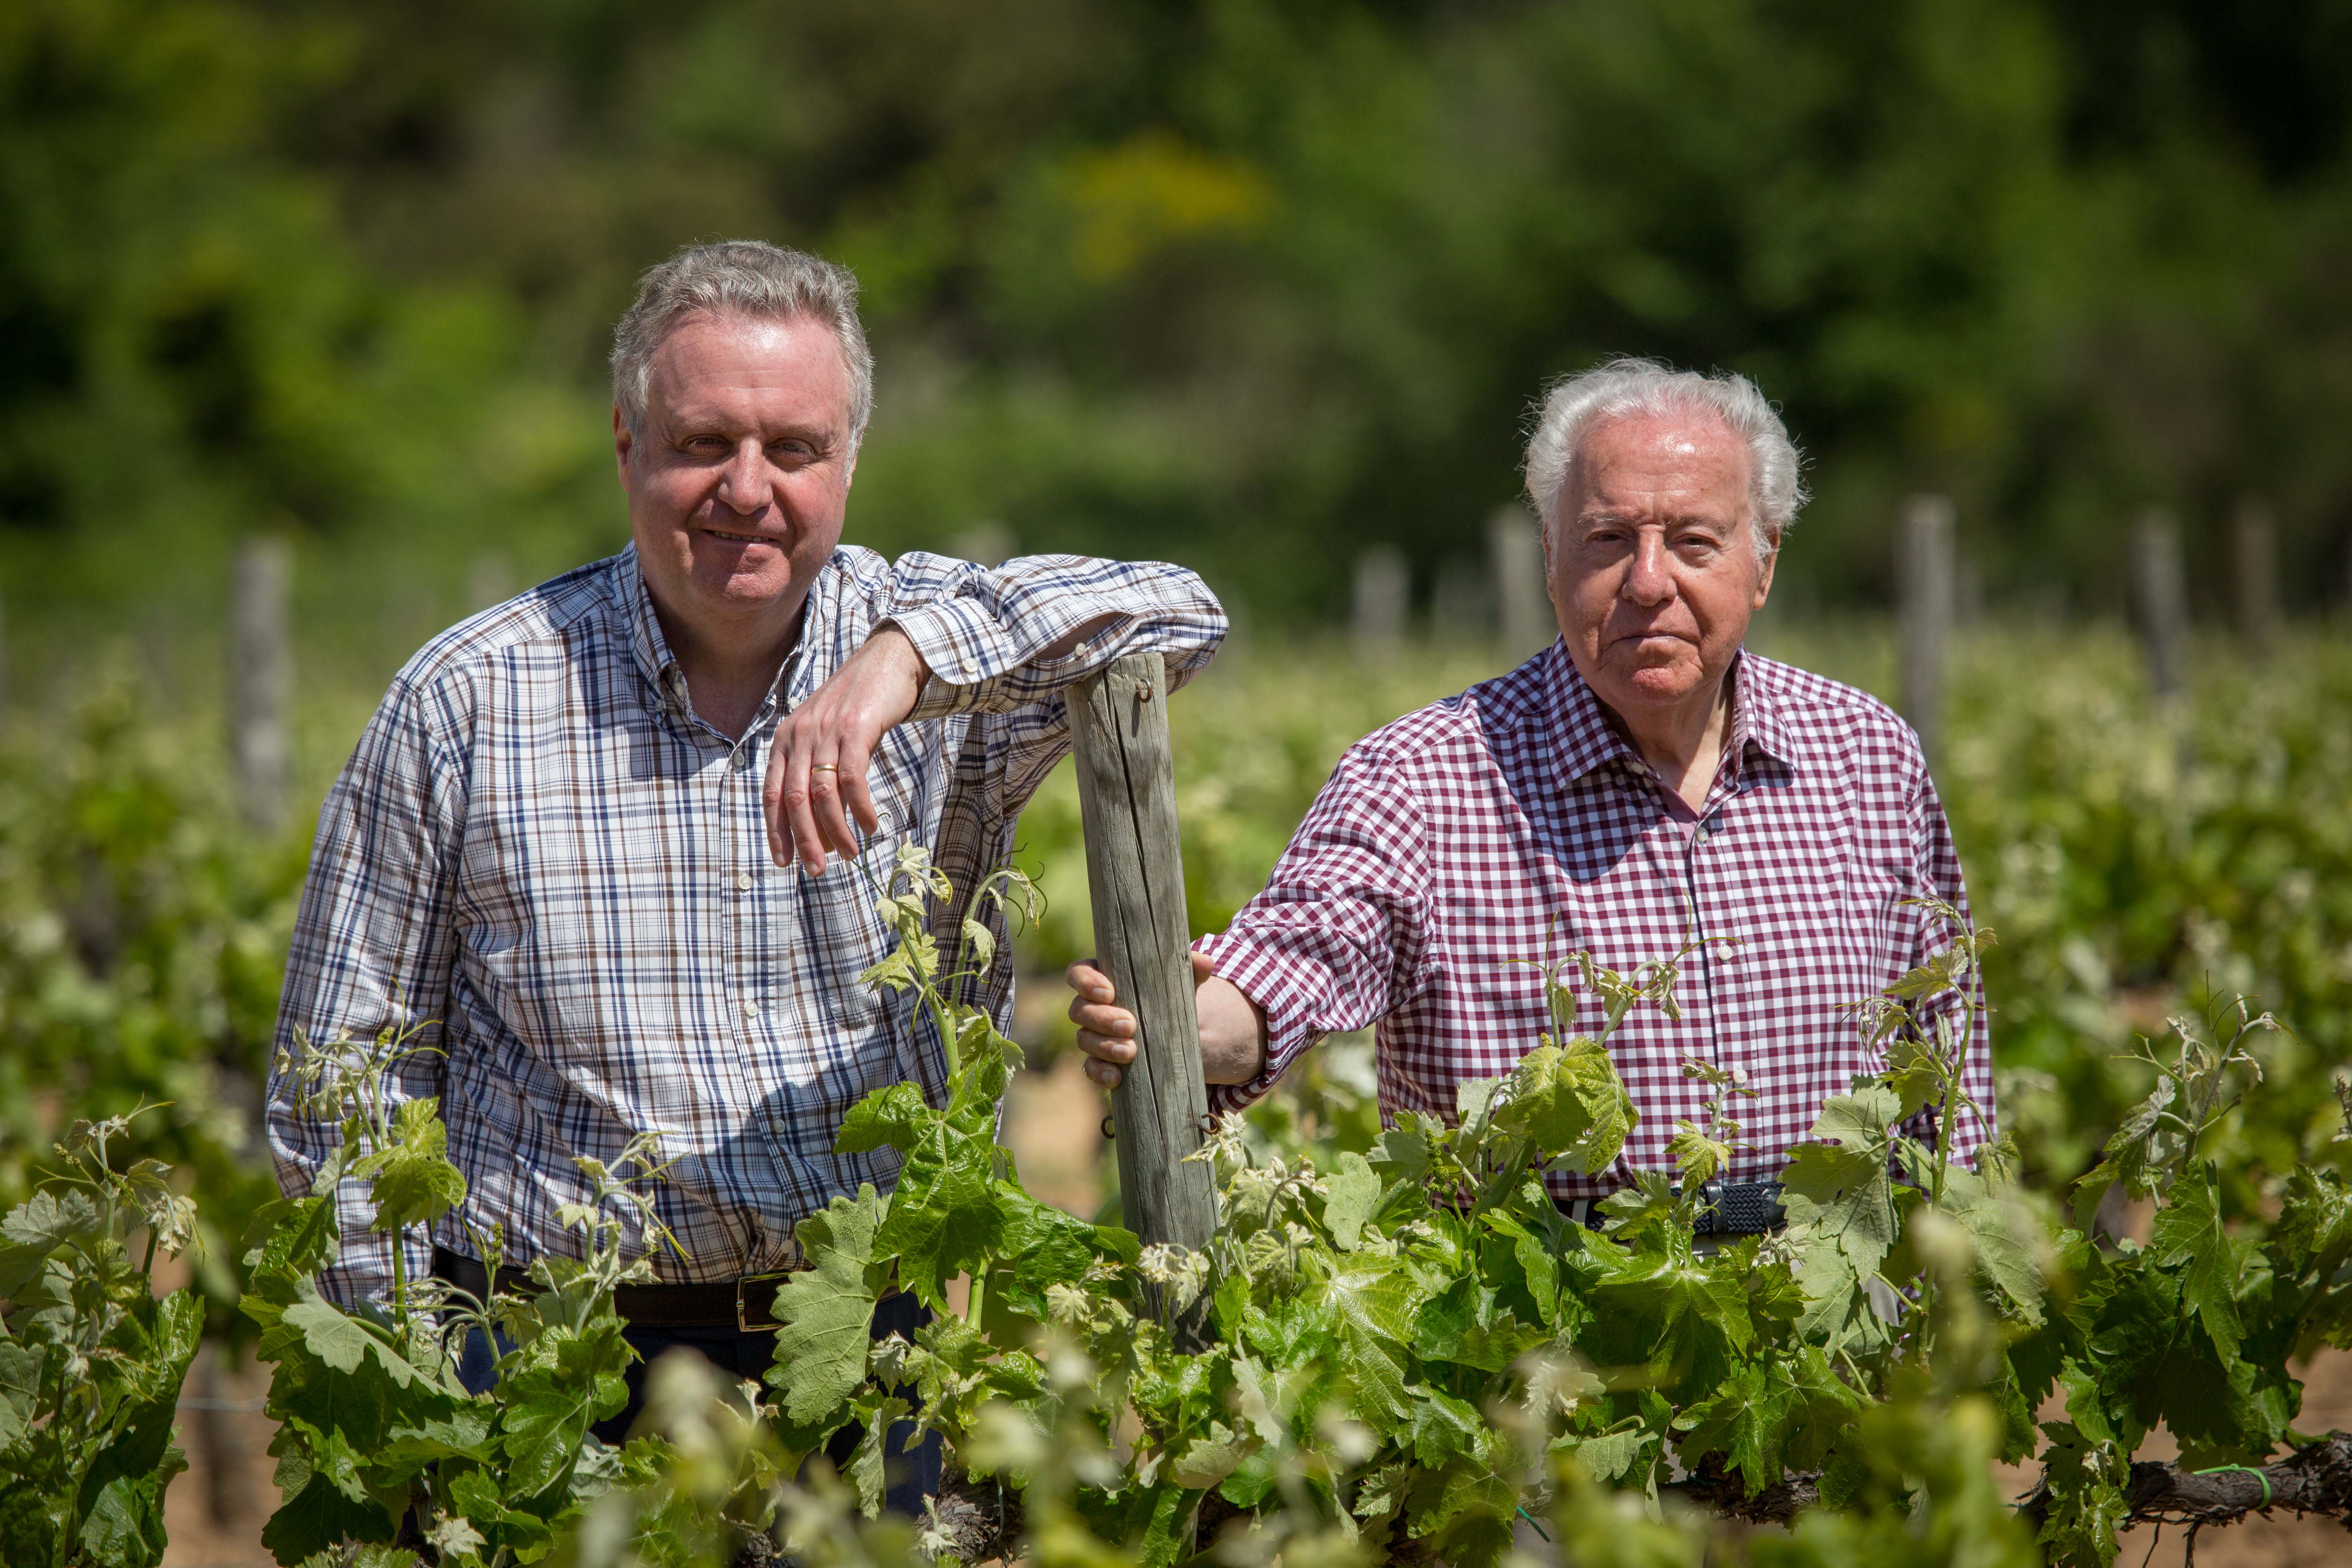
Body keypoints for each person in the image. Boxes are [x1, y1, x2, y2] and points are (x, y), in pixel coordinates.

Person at [266, 241, 1226, 1506]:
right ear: (627, 446)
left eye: (795, 449)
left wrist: (900, 666)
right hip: (553, 1367)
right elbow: (338, 1088)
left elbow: (1176, 610)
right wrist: (428, 1403)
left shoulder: (943, 685)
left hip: (863, 1356)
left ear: (850, 462)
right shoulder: (470, 699)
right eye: (704, 443)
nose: (747, 489)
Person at [1066, 357, 1989, 1230]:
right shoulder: (1425, 778)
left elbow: (1947, 1060)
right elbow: (1300, 965)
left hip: (1831, 1333)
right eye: (1608, 540)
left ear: (1765, 564)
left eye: (1695, 543)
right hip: (1536, 1350)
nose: (1648, 582)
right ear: (1552, 558)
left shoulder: (1868, 756)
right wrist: (1177, 1026)